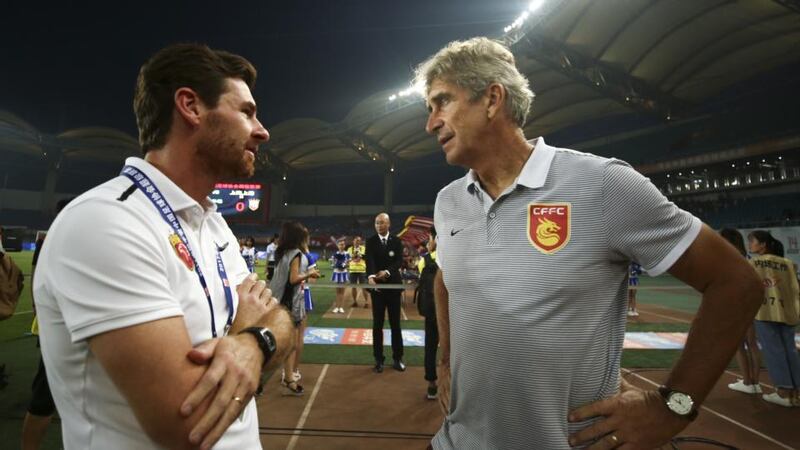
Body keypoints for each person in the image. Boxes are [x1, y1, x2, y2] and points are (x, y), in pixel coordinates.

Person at [417, 37, 763, 449]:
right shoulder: (448, 202)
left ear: (492, 99)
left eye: (442, 102)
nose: (431, 122)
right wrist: (444, 357)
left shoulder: (602, 185)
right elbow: (445, 278)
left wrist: (673, 406)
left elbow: (737, 282)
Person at [32, 43, 296, 450]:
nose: (262, 130)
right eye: (246, 111)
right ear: (190, 106)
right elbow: (185, 425)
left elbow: (281, 320)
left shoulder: (214, 224)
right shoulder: (105, 221)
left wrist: (252, 343)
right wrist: (256, 334)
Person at [21, 198, 73, 450]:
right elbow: (37, 276)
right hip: (60, 326)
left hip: (76, 325)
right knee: (45, 394)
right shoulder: (53, 240)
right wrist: (38, 309)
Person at [748, 230, 800, 407]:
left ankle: (783, 392)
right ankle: (797, 392)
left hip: (765, 312)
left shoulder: (753, 262)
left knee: (773, 350)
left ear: (763, 244)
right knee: (790, 350)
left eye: (753, 241)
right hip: (788, 312)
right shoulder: (789, 263)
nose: (750, 244)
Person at [269, 221, 320, 395]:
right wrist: (310, 274)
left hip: (276, 300)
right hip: (290, 302)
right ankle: (288, 378)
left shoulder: (281, 252)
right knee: (290, 342)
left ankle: (286, 378)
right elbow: (293, 279)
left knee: (278, 341)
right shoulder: (297, 254)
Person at [720, 228, 762, 395]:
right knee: (752, 344)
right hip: (751, 303)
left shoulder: (727, 257)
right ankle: (755, 383)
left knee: (739, 345)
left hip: (734, 304)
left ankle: (747, 382)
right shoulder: (749, 257)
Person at [365, 213, 405, 373]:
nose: (379, 225)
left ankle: (398, 358)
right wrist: (371, 277)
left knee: (395, 325)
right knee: (377, 325)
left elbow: (399, 261)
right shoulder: (371, 241)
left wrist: (387, 272)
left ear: (388, 224)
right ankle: (378, 359)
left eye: (381, 223)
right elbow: (369, 260)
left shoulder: (397, 241)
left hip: (394, 289)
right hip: (378, 290)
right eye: (376, 223)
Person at [415, 226, 439, 400]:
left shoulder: (424, 260)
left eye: (430, 238)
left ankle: (432, 385)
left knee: (430, 347)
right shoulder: (455, 257)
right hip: (453, 312)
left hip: (432, 311)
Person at [347, 235, 369, 308]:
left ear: (361, 242)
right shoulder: (349, 249)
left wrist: (355, 257)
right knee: (353, 287)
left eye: (359, 240)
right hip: (352, 270)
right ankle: (355, 302)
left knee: (364, 287)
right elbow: (349, 258)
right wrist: (354, 256)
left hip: (362, 270)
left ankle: (366, 302)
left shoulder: (363, 248)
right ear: (353, 241)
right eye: (356, 240)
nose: (357, 242)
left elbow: (360, 258)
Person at [331, 238, 350, 313]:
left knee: (342, 291)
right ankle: (336, 307)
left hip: (343, 273)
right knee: (337, 291)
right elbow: (332, 264)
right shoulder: (335, 254)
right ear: (338, 245)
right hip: (337, 273)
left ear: (344, 245)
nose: (341, 246)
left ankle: (341, 307)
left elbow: (348, 263)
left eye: (343, 244)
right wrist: (335, 265)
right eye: (340, 244)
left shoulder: (347, 254)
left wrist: (344, 265)